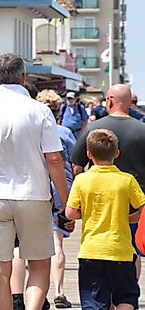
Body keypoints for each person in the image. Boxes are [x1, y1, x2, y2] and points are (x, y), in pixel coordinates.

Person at [0, 53, 70, 310]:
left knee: (1, 272)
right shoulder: (40, 111)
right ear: (23, 77)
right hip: (34, 195)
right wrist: (66, 203)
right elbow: (54, 160)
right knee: (39, 265)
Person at [71, 84, 145, 279]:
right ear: (130, 102)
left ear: (110, 100)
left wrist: (77, 194)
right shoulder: (142, 130)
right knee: (131, 250)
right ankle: (128, 292)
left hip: (98, 204)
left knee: (101, 249)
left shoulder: (94, 128)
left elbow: (77, 165)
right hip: (136, 206)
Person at [66, 129, 145, 310]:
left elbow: (70, 214)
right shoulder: (127, 180)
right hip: (121, 251)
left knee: (94, 302)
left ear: (89, 155)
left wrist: (87, 213)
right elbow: (143, 207)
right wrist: (129, 218)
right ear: (117, 153)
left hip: (91, 251)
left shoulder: (82, 180)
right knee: (126, 297)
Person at [35, 90, 75, 309]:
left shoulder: (31, 131)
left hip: (36, 187)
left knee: (33, 243)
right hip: (61, 188)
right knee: (57, 241)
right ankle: (59, 291)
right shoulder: (65, 132)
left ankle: (37, 292)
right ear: (58, 111)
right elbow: (75, 163)